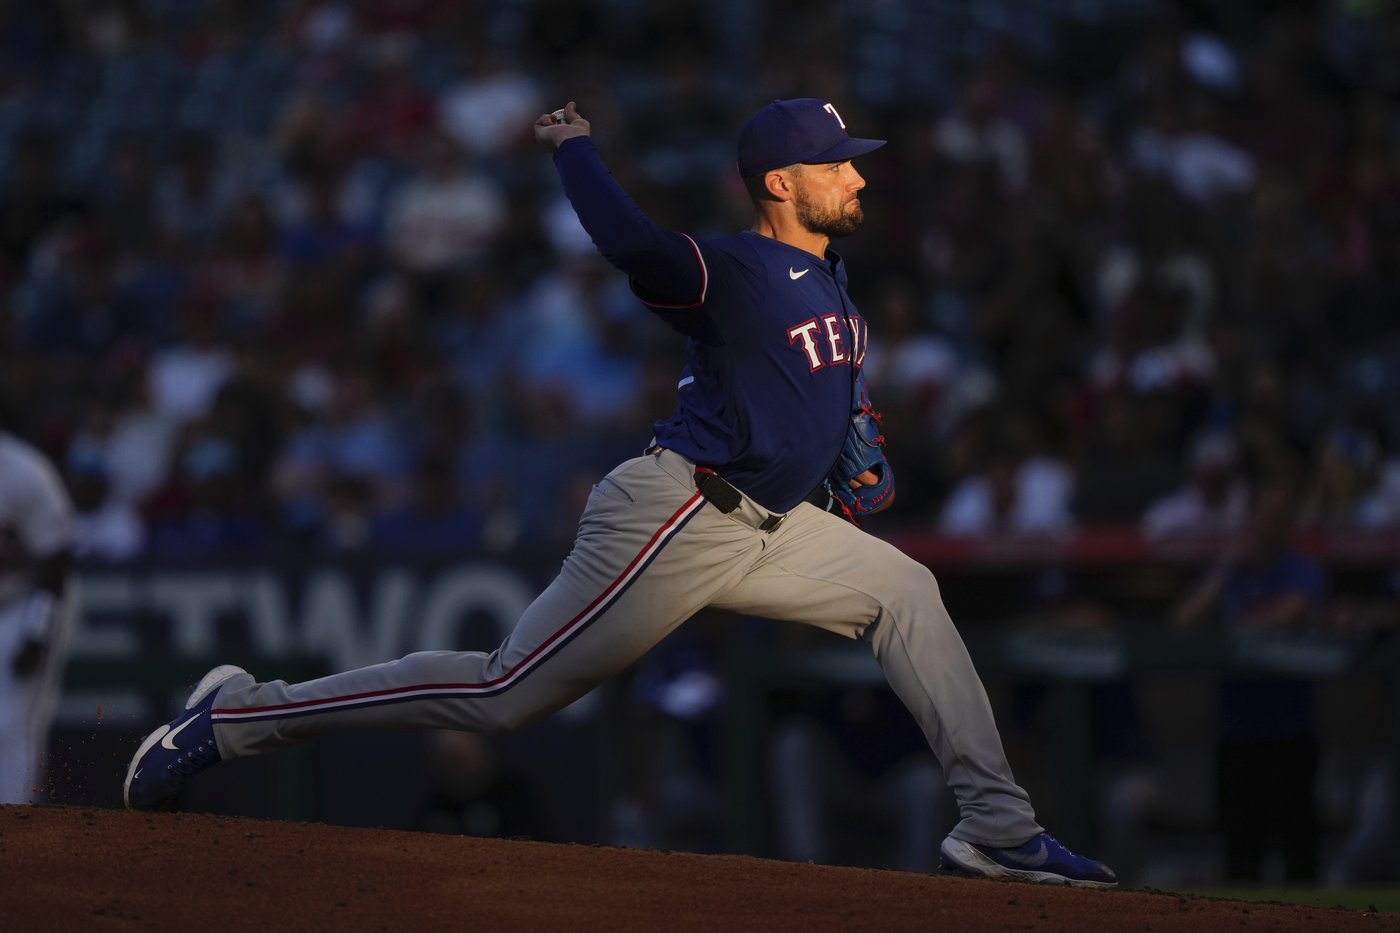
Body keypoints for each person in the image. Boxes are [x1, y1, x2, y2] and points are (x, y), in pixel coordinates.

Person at [123, 98, 1116, 888]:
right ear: (781, 183)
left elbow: (810, 395)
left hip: (772, 525)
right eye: (835, 163)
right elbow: (636, 247)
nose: (856, 174)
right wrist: (575, 150)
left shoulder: (833, 279)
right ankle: (236, 717)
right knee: (502, 694)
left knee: (907, 592)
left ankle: (997, 829)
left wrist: (842, 439)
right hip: (679, 512)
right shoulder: (733, 267)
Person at [0, 394, 79, 803]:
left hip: (24, 602)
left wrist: (36, 631)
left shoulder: (24, 471)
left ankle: (16, 825)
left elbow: (56, 561)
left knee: (9, 721)